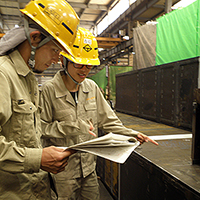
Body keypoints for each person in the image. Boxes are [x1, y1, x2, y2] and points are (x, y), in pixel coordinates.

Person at [40, 27, 158, 200]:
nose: (84, 70)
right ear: (63, 61)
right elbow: (41, 129)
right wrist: (72, 127)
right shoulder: (48, 91)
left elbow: (109, 122)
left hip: (88, 169)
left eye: (89, 65)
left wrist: (133, 134)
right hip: (62, 172)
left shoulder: (91, 87)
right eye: (79, 64)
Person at [0, 0, 79, 199]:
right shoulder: (3, 74)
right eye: (55, 50)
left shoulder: (29, 79)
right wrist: (37, 158)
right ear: (35, 38)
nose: (56, 60)